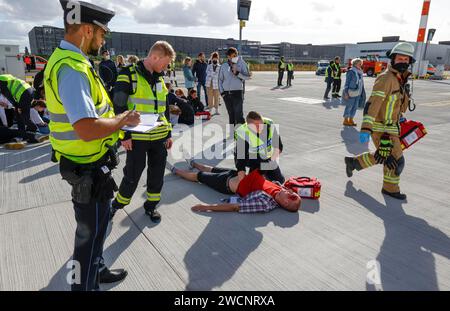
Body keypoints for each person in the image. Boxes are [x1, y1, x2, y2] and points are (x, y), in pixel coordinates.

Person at [44, 0, 142, 291]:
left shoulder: (70, 60)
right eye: (102, 34)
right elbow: (86, 127)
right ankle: (83, 285)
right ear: (87, 30)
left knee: (96, 231)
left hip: (90, 164)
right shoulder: (73, 69)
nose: (103, 39)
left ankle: (96, 270)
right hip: (86, 167)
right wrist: (123, 120)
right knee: (87, 238)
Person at [111, 41, 175, 222]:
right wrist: (125, 134)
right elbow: (119, 106)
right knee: (132, 174)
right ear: (155, 57)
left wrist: (168, 133)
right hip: (136, 137)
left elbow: (165, 108)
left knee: (157, 175)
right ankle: (117, 204)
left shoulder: (160, 78)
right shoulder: (128, 75)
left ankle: (151, 206)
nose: (166, 67)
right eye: (165, 62)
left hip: (159, 137)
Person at [345, 42, 416, 201]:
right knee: (396, 161)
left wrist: (406, 93)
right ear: (393, 58)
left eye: (406, 59)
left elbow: (402, 108)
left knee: (384, 157)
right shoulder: (386, 78)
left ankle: (354, 163)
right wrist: (366, 129)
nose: (403, 61)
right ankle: (390, 189)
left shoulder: (399, 79)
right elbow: (373, 104)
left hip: (392, 128)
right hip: (381, 129)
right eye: (400, 58)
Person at [167, 161, 301, 213]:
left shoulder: (265, 203)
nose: (289, 192)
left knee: (199, 176)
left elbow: (236, 207)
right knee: (210, 168)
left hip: (225, 183)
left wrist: (207, 207)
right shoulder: (279, 186)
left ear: (285, 202)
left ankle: (175, 170)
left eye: (291, 196)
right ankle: (192, 162)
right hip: (237, 174)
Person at [234, 111, 285, 184]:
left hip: (267, 158)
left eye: (261, 124)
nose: (260, 127)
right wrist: (243, 182)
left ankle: (263, 173)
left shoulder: (269, 124)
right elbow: (240, 161)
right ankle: (254, 175)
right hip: (249, 158)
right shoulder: (243, 133)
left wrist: (270, 162)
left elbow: (279, 147)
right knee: (253, 183)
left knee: (280, 180)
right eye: (256, 126)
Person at [218, 47, 250, 127]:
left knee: (238, 115)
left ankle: (242, 135)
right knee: (231, 114)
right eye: (232, 56)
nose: (233, 57)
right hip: (226, 94)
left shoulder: (242, 63)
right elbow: (220, 80)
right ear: (228, 56)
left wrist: (237, 73)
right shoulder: (224, 66)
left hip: (237, 92)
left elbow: (248, 77)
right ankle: (232, 134)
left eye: (235, 55)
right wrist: (222, 93)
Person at [342, 58, 366, 127]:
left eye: (361, 64)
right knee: (349, 106)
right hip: (351, 92)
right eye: (359, 64)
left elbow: (361, 83)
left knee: (355, 107)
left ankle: (351, 119)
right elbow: (347, 83)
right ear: (355, 64)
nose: (361, 65)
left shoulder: (360, 72)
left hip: (358, 92)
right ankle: (346, 120)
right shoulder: (351, 71)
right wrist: (346, 93)